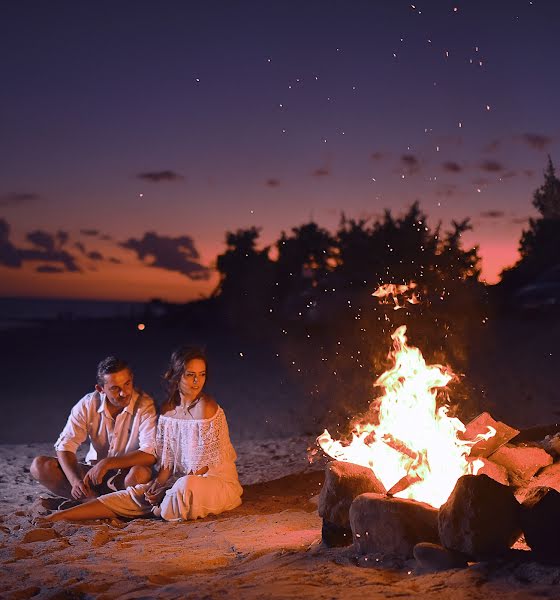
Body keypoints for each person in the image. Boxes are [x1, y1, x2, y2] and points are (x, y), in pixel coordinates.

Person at [46, 346, 243, 522]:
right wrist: (158, 484)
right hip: (177, 481)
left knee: (184, 486)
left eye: (201, 374)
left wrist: (167, 488)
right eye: (190, 374)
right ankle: (60, 515)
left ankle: (158, 509)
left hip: (210, 480)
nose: (196, 381)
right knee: (141, 493)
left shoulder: (205, 406)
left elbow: (203, 466)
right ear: (176, 375)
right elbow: (167, 462)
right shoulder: (167, 408)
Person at [30, 356, 157, 502]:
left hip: (126, 477)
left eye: (127, 384)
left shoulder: (145, 405)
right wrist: (75, 481)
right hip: (92, 475)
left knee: (140, 473)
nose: (124, 393)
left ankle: (101, 504)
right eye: (115, 388)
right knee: (39, 466)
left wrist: (108, 462)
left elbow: (150, 454)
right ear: (100, 389)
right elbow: (65, 446)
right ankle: (91, 500)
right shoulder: (88, 404)